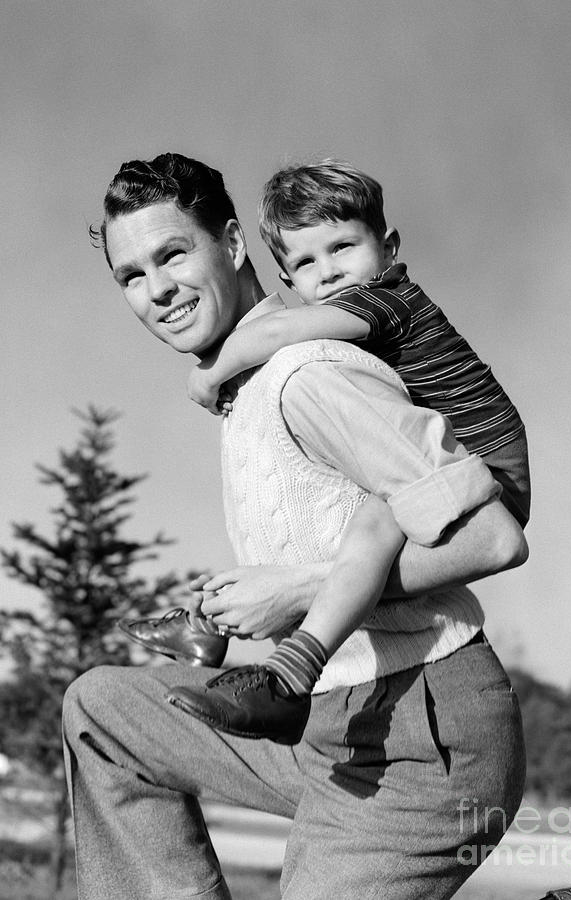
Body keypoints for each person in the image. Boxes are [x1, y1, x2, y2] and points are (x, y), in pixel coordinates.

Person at [63, 152, 528, 900]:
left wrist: (299, 593)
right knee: (104, 711)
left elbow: (495, 537)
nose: (157, 290)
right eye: (131, 275)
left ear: (235, 244)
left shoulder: (307, 372)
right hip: (324, 724)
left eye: (174, 254)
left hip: (420, 741)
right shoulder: (245, 385)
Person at [121, 159, 531, 744]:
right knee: (101, 707)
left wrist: (209, 377)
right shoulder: (291, 371)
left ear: (388, 247)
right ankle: (208, 628)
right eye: (308, 262)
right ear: (288, 275)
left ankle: (289, 671)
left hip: (488, 482)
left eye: (343, 247)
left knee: (378, 516)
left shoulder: (376, 307)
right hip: (348, 703)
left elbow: (494, 538)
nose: (331, 272)